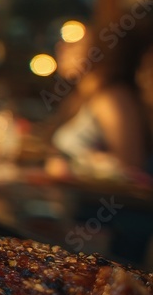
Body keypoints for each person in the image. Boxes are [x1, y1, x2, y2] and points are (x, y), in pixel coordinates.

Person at [49, 23, 152, 183]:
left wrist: (78, 166)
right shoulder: (81, 98)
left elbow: (133, 168)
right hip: (77, 198)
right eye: (63, 43)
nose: (62, 49)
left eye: (74, 44)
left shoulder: (111, 99)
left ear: (97, 51)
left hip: (102, 203)